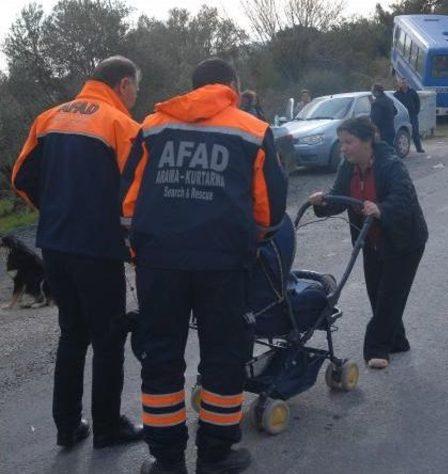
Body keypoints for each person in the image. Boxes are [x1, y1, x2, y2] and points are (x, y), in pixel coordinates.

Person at [121, 57, 287, 474]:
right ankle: (215, 455)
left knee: (161, 357)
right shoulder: (251, 130)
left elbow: (126, 203)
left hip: (159, 264)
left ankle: (166, 460)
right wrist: (247, 239)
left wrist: (143, 243)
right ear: (231, 85)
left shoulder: (153, 127)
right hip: (224, 265)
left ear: (192, 86)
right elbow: (270, 211)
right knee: (224, 356)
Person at [11, 56, 144, 449]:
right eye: (135, 88)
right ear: (123, 84)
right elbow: (136, 196)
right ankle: (107, 427)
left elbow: (21, 177)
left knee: (72, 334)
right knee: (108, 338)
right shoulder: (121, 125)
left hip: (54, 244)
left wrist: (53, 210)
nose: (135, 96)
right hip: (98, 249)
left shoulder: (48, 118)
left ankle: (67, 427)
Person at [309, 117, 427, 370]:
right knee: (377, 293)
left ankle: (377, 348)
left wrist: (381, 209)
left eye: (348, 142)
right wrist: (323, 202)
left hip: (404, 241)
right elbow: (340, 198)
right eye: (341, 142)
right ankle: (397, 341)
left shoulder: (391, 165)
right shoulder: (348, 167)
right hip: (371, 240)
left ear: (367, 141)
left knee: (390, 295)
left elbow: (403, 200)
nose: (344, 148)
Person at [394, 76, 425, 153]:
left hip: (412, 115)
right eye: (402, 83)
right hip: (402, 116)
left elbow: (417, 103)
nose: (404, 84)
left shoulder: (412, 92)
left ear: (407, 83)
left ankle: (419, 148)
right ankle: (404, 148)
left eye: (405, 82)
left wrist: (415, 112)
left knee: (415, 132)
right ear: (399, 84)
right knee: (403, 132)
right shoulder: (396, 94)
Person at [369, 83, 397, 147]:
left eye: (372, 91)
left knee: (383, 151)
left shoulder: (376, 103)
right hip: (391, 129)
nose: (372, 93)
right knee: (390, 148)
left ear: (376, 92)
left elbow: (375, 119)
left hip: (381, 132)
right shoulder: (389, 100)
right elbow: (395, 111)